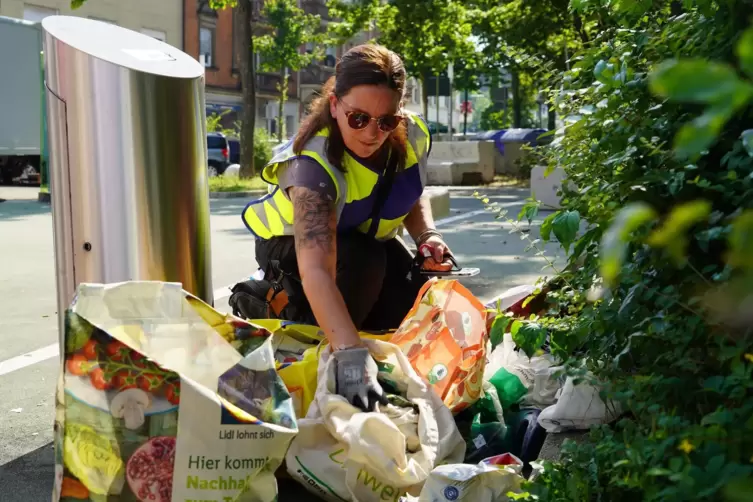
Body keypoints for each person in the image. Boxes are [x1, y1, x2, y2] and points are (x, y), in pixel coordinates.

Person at [239, 44, 454, 411]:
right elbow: (318, 270)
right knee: (366, 263)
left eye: (385, 120)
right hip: (291, 249)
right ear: (335, 104)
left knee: (415, 299)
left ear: (399, 113)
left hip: (357, 244)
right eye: (358, 118)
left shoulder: (410, 134)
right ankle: (291, 322)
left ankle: (345, 333)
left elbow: (408, 191)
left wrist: (426, 236)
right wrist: (351, 357)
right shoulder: (313, 164)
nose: (373, 132)